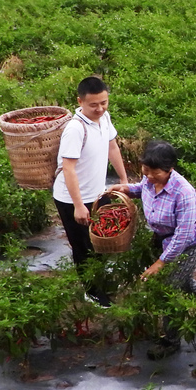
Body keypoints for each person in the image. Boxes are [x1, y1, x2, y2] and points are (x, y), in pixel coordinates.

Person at [108, 140, 196, 360]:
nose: (149, 176)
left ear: (170, 169)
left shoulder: (183, 192)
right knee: (183, 279)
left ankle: (171, 341)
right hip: (165, 241)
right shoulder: (149, 179)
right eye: (146, 170)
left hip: (191, 243)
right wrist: (126, 189)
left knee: (168, 287)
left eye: (155, 172)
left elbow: (182, 235)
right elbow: (142, 188)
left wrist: (161, 262)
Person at [53, 76, 128, 307]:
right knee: (82, 246)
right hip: (71, 198)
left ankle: (100, 281)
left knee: (99, 241)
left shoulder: (104, 118)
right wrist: (78, 205)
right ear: (80, 102)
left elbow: (112, 146)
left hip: (96, 193)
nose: (99, 108)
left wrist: (124, 178)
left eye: (104, 102)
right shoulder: (75, 129)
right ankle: (92, 292)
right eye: (93, 105)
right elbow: (68, 168)